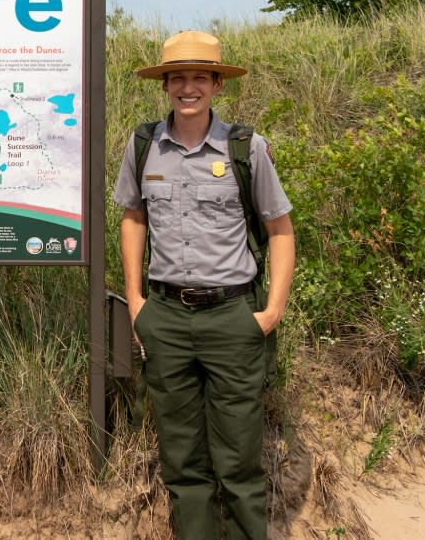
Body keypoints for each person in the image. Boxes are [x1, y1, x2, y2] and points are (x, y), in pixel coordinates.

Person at [113, 31, 295, 540]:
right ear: (165, 85)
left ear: (217, 84)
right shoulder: (143, 144)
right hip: (165, 320)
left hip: (232, 319)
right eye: (177, 77)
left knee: (238, 464)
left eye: (199, 77)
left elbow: (280, 231)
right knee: (183, 465)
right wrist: (136, 304)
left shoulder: (246, 148)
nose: (187, 87)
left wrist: (271, 312)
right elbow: (132, 218)